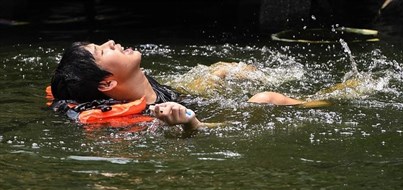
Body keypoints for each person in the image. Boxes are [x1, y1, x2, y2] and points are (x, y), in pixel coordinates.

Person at [50, 40, 305, 131]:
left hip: (186, 96)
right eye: (102, 52)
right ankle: (331, 98)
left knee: (222, 68)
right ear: (108, 83)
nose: (111, 42)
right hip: (208, 116)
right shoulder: (149, 118)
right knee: (266, 97)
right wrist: (191, 123)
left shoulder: (140, 84)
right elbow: (208, 130)